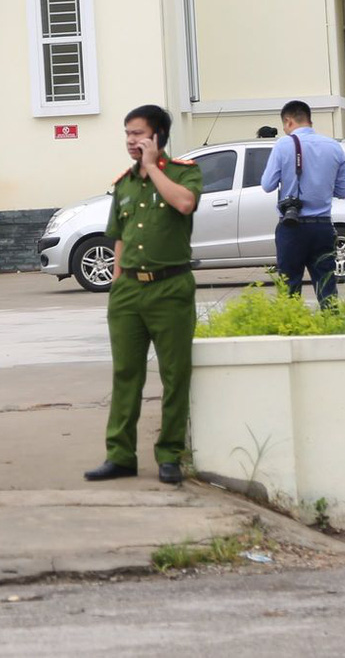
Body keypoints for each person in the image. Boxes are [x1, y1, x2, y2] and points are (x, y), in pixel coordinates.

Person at [85, 104, 204, 486]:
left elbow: (185, 204)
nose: (131, 141)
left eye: (138, 134)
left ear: (158, 137)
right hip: (129, 292)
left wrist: (153, 167)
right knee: (125, 374)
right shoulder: (123, 184)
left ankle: (170, 455)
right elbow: (119, 239)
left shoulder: (184, 173)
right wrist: (117, 285)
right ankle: (119, 455)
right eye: (127, 134)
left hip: (170, 288)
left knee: (174, 374)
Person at [260, 101, 345, 308]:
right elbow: (343, 191)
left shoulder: (283, 145)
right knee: (327, 286)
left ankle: (292, 330)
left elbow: (267, 185)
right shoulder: (334, 147)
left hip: (292, 227)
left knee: (289, 287)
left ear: (288, 120)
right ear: (309, 119)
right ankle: (332, 328)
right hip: (322, 227)